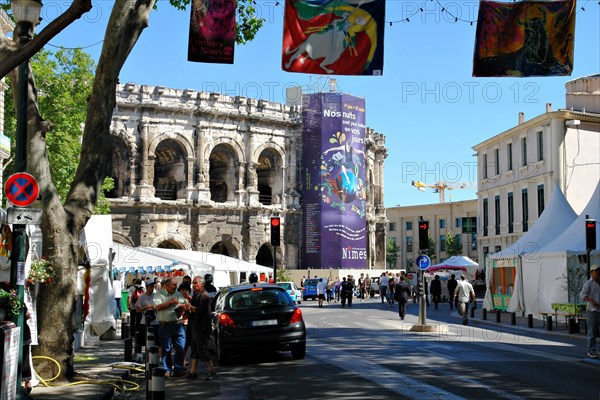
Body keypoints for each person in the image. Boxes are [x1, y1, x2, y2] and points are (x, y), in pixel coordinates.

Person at [154, 277, 190, 377]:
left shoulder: (177, 294)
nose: (175, 287)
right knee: (166, 348)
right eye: (174, 285)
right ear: (167, 285)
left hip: (177, 324)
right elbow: (157, 307)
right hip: (165, 325)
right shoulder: (159, 294)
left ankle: (178, 369)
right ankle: (167, 370)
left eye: (176, 285)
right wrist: (170, 302)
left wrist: (183, 306)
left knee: (180, 347)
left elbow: (184, 303)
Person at [187, 276, 217, 380]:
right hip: (196, 326)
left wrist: (190, 307)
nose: (193, 285)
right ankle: (193, 371)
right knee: (195, 349)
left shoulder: (205, 296)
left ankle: (212, 371)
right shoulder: (196, 294)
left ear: (202, 284)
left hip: (202, 328)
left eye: (195, 283)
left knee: (203, 350)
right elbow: (194, 307)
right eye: (193, 283)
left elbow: (201, 311)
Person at [579, 264, 600, 359]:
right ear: (591, 272)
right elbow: (582, 295)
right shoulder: (588, 283)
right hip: (592, 310)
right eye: (595, 271)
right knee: (592, 331)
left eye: (598, 270)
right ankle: (591, 350)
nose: (598, 272)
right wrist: (592, 301)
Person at [134, 278, 158, 350]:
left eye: (153, 287)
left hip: (155, 321)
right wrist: (146, 307)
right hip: (144, 321)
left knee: (155, 340)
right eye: (151, 287)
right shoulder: (142, 297)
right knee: (145, 340)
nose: (152, 288)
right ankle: (146, 355)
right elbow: (137, 310)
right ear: (147, 287)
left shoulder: (156, 296)